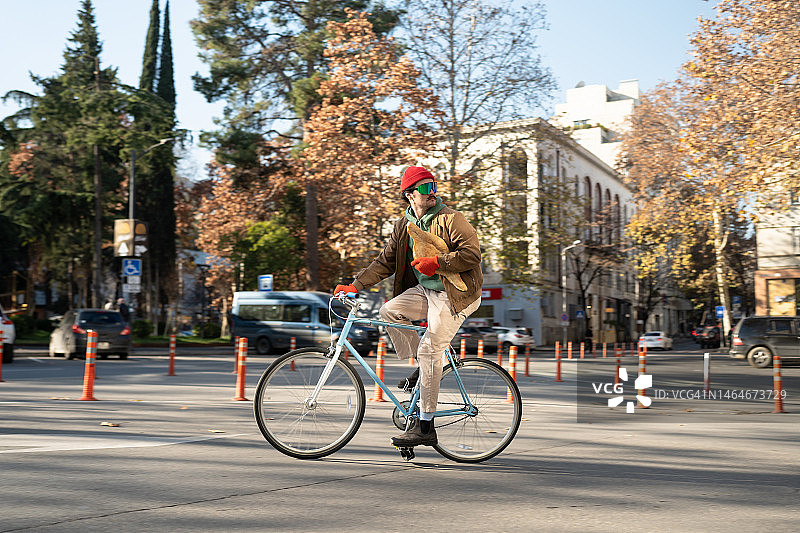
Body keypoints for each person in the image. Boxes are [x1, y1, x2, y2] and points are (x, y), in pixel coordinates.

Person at [334, 166, 483, 448]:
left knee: (430, 351)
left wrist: (438, 263)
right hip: (426, 291)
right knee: (389, 311)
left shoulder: (452, 219)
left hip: (456, 294)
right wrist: (355, 285)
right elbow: (385, 262)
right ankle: (424, 369)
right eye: (426, 188)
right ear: (410, 195)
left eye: (433, 186)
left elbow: (472, 254)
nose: (432, 192)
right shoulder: (404, 225)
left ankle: (425, 426)